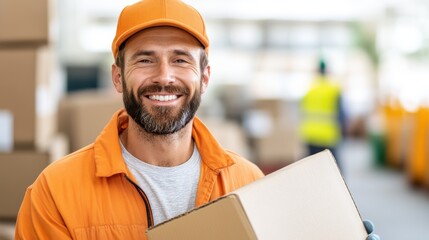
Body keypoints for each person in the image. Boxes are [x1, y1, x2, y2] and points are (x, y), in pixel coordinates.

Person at [14, 0, 379, 239]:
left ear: (204, 77)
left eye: (181, 59)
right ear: (117, 77)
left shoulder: (248, 183)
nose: (164, 76)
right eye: (144, 59)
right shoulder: (55, 193)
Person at [299, 58, 346, 171]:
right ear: (327, 70)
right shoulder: (333, 89)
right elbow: (342, 114)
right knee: (332, 170)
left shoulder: (310, 89)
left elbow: (302, 111)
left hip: (311, 136)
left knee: (313, 169)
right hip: (328, 137)